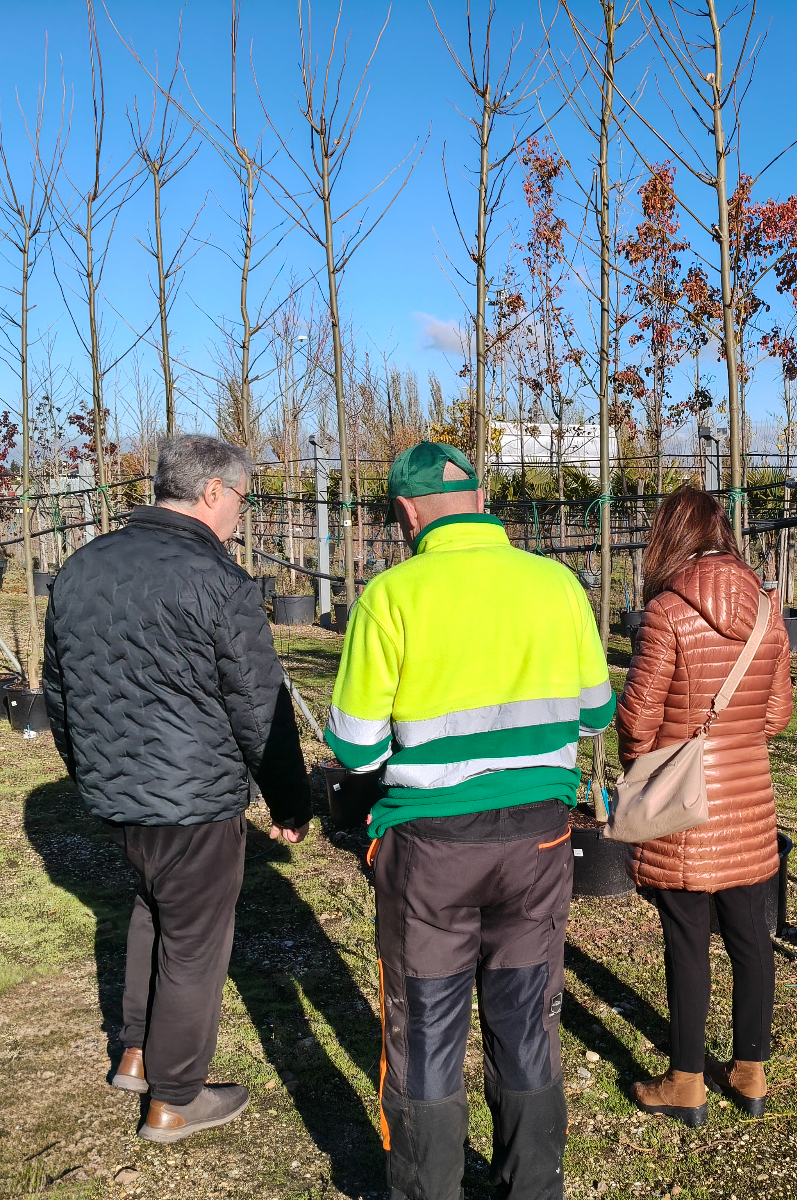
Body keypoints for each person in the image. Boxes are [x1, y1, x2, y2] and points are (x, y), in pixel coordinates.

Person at [324, 441, 615, 1200]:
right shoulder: (558, 585)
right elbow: (596, 714)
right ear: (484, 501)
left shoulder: (390, 597)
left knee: (423, 1033)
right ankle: (533, 1189)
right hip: (538, 840)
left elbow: (356, 748)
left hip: (430, 850)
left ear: (406, 512)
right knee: (526, 1022)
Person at [43, 434, 310, 1144]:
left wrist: (91, 771)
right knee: (193, 942)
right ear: (214, 493)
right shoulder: (216, 580)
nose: (243, 519)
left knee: (148, 911)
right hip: (193, 800)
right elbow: (261, 705)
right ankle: (175, 1097)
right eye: (244, 501)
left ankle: (136, 1051)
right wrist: (291, 800)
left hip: (121, 793)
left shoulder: (81, 566)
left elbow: (59, 689)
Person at [615, 487, 793, 1128]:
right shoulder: (770, 610)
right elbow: (776, 714)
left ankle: (686, 1081)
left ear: (669, 537)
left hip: (684, 810)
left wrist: (654, 751)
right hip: (748, 805)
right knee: (751, 939)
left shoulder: (666, 612)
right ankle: (750, 1073)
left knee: (687, 942)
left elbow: (637, 722)